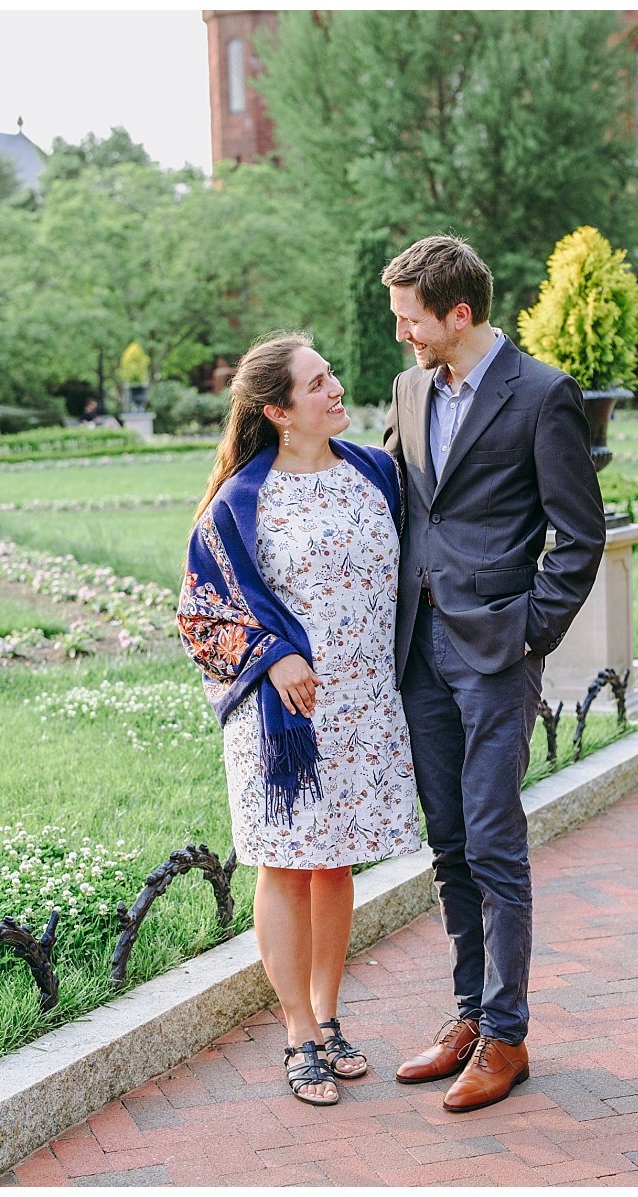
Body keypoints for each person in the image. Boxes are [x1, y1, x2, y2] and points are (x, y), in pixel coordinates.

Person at [380, 235, 606, 1112]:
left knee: (494, 842)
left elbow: (577, 538)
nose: (402, 333)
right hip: (418, 651)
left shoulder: (544, 395)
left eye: (411, 318)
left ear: (458, 314)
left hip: (495, 653)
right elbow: (397, 495)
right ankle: (469, 1014)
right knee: (448, 843)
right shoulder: (408, 389)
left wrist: (527, 635)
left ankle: (508, 1038)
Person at [178, 333, 420, 1107]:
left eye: (332, 376)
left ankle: (329, 1013)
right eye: (318, 383)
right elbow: (200, 614)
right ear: (280, 411)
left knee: (336, 863)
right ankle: (296, 1033)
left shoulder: (374, 473)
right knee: (286, 863)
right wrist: (274, 652)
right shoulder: (240, 503)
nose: (336, 388)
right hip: (282, 717)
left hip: (365, 709)